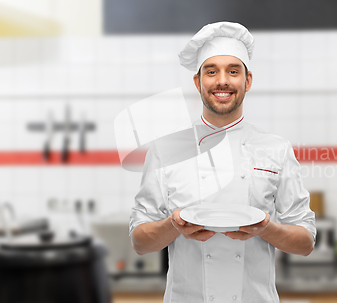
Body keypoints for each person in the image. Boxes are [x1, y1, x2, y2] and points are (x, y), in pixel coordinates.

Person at [129, 21, 316, 303]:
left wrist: (267, 228)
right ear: (198, 82)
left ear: (248, 80)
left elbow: (305, 243)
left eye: (233, 71)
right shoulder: (165, 148)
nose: (222, 81)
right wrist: (173, 225)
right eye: (211, 71)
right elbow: (140, 241)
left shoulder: (275, 149)